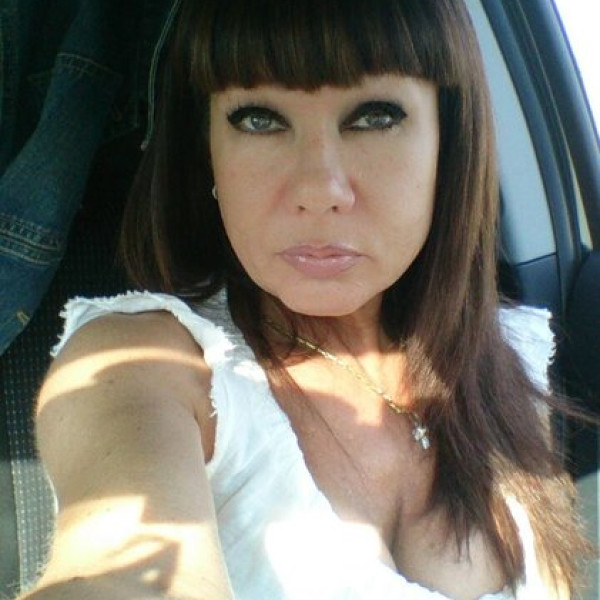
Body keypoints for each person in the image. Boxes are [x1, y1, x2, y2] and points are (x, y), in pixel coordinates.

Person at [17, 0, 589, 599]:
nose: (319, 189)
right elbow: (121, 568)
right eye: (259, 120)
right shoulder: (140, 362)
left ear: (448, 145)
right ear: (208, 152)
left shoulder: (506, 356)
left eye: (374, 117)